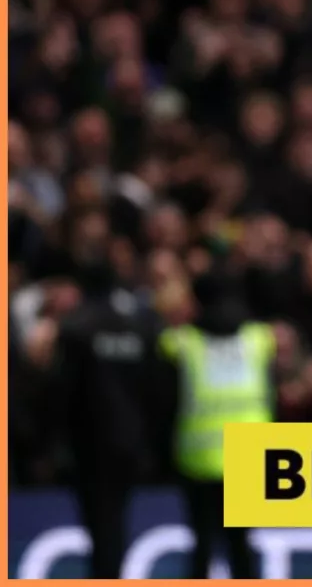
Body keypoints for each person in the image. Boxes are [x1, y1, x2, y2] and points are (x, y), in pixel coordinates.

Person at [56, 208, 169, 578]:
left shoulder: (75, 329)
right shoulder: (140, 328)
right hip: (131, 441)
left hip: (90, 445)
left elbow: (63, 391)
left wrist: (57, 446)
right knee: (115, 523)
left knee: (100, 527)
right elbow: (154, 388)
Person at [159, 269, 270, 579]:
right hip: (249, 457)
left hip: (198, 459)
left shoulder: (179, 343)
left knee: (202, 546)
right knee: (241, 546)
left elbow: (162, 400)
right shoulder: (259, 339)